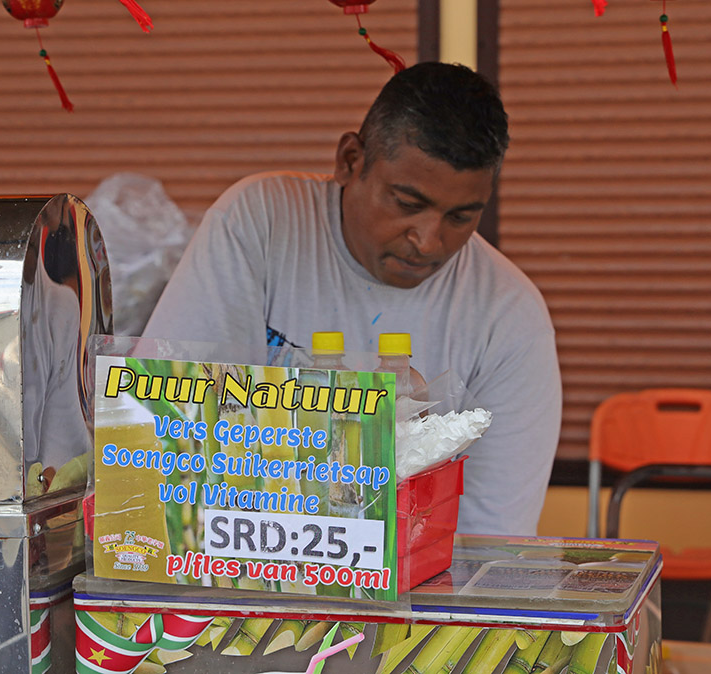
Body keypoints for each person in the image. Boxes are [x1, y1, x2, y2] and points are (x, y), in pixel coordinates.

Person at [142, 62, 561, 536]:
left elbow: (492, 536)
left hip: (418, 598)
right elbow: (168, 423)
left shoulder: (510, 315)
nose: (428, 240)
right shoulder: (259, 225)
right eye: (407, 204)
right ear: (350, 160)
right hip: (231, 564)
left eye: (461, 217)